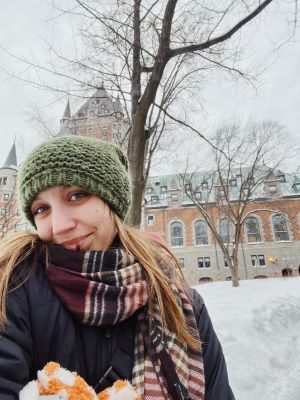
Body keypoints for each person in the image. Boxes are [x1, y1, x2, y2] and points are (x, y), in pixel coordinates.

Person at [0, 135, 235, 400]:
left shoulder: (182, 305)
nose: (59, 226)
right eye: (42, 209)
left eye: (77, 195)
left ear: (112, 201)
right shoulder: (14, 286)